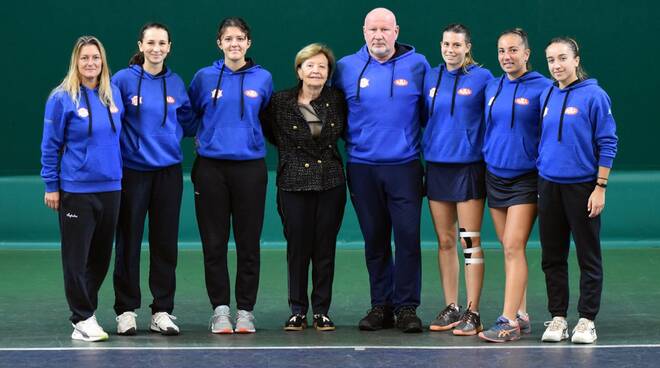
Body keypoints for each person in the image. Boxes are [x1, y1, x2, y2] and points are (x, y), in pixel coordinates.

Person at [333, 7, 429, 333]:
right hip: (361, 168)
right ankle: (381, 305)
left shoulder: (418, 66)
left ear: (396, 31)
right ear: (364, 31)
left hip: (404, 168)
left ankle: (406, 308)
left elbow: (428, 114)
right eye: (373, 29)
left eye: (385, 29)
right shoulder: (345, 67)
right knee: (375, 240)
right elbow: (335, 113)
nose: (379, 35)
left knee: (407, 239)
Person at [188, 17, 272, 334]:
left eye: (240, 38)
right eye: (228, 38)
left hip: (250, 169)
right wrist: (206, 137)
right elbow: (189, 116)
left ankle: (246, 311)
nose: (234, 44)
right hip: (210, 170)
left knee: (249, 244)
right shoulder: (203, 77)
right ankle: (221, 311)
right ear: (219, 43)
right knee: (214, 243)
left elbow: (267, 119)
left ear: (248, 43)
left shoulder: (263, 79)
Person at [111, 22, 195, 336]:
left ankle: (162, 310)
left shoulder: (176, 82)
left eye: (162, 43)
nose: (156, 48)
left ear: (169, 47)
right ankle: (126, 310)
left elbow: (186, 121)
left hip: (169, 173)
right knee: (128, 242)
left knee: (164, 243)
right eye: (151, 42)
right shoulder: (122, 79)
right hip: (132, 173)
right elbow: (111, 122)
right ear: (141, 45)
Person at [40, 36, 124, 342]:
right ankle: (83, 317)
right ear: (76, 62)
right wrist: (52, 185)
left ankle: (85, 314)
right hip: (76, 189)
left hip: (111, 187)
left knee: (100, 258)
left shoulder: (112, 94)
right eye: (85, 58)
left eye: (96, 58)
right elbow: (50, 145)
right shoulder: (61, 98)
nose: (91, 63)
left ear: (103, 62)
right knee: (76, 258)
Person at [261, 43, 347, 332]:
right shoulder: (280, 102)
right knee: (297, 249)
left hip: (331, 183)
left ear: (328, 73)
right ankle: (297, 310)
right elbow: (270, 133)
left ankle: (321, 310)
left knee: (325, 248)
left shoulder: (337, 99)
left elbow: (344, 131)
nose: (316, 71)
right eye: (309, 65)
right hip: (293, 183)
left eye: (322, 66)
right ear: (299, 70)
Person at [537, 37, 617, 344]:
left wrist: (600, 187)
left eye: (562, 58)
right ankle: (558, 318)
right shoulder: (547, 94)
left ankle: (586, 320)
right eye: (551, 60)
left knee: (588, 256)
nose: (556, 65)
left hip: (583, 187)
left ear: (576, 59)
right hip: (549, 186)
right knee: (552, 257)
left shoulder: (595, 96)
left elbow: (608, 142)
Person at [477, 28, 552, 343]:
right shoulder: (492, 86)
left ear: (526, 54)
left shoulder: (544, 88)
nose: (506, 56)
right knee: (507, 250)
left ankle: (507, 321)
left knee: (513, 246)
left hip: (526, 179)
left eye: (512, 50)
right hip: (495, 175)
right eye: (501, 51)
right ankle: (520, 313)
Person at [422, 24, 493, 336]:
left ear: (468, 48)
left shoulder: (483, 78)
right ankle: (452, 305)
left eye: (457, 45)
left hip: (468, 169)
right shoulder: (430, 76)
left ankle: (473, 311)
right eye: (446, 44)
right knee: (445, 240)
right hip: (437, 168)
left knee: (468, 241)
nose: (451, 50)